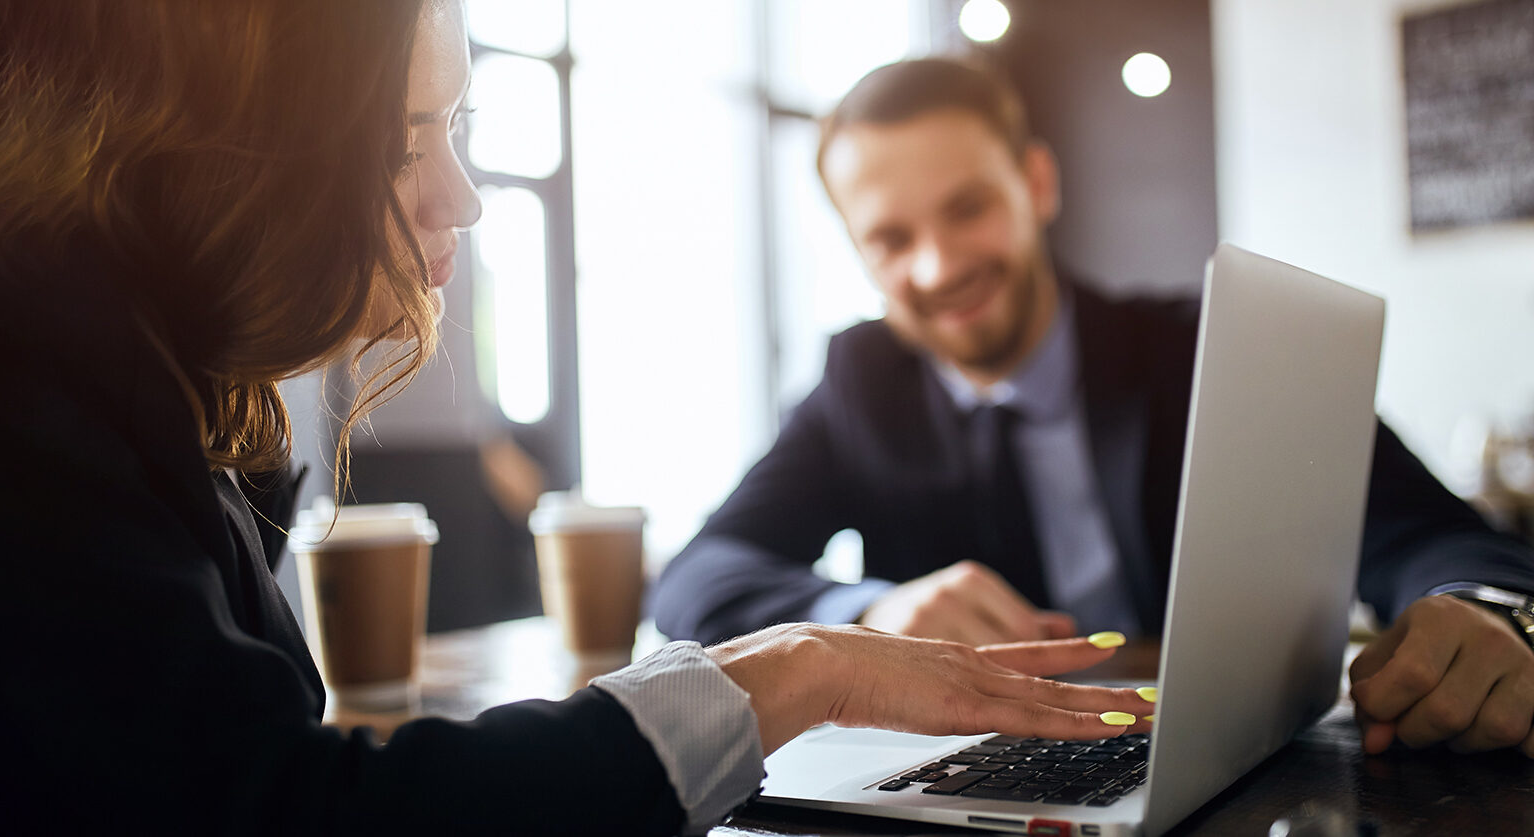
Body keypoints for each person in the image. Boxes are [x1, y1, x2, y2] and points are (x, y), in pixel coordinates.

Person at [0, 5, 1160, 834]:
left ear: (1039, 186)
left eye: (455, 129)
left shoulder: (166, 390)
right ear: (232, 146)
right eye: (411, 139)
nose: (459, 194)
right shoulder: (52, 382)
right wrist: (825, 649)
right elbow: (283, 807)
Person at [652, 57, 1534, 759]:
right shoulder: (861, 381)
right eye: (890, 238)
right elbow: (701, 573)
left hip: (1229, 761)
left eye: (968, 208)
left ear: (1036, 183)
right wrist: (869, 613)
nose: (936, 266)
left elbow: (1435, 538)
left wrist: (1480, 610)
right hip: (983, 777)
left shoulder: (1203, 350)